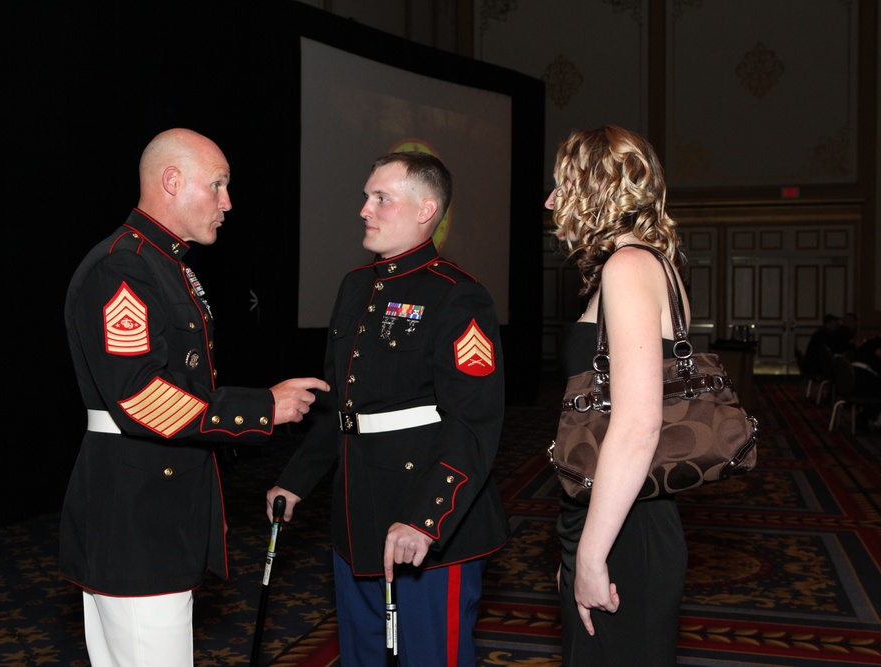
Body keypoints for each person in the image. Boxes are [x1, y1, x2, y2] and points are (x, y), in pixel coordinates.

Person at [61, 127, 329, 667]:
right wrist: (263, 408)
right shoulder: (125, 267)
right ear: (172, 180)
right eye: (218, 185)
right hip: (136, 516)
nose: (227, 202)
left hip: (153, 503)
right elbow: (139, 398)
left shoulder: (165, 264)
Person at [266, 151, 510, 666]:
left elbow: (473, 423)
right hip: (357, 511)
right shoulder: (357, 285)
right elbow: (343, 402)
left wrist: (426, 519)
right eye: (366, 196)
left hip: (426, 517)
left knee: (428, 657)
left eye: (381, 198)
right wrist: (297, 479)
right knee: (363, 656)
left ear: (425, 210)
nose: (365, 209)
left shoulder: (458, 296)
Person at [546, 125, 689, 666]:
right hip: (615, 511)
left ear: (595, 190)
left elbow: (636, 426)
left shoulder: (628, 267)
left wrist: (591, 553)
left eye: (562, 185)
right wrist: (580, 542)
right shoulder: (648, 264)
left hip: (627, 525)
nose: (550, 201)